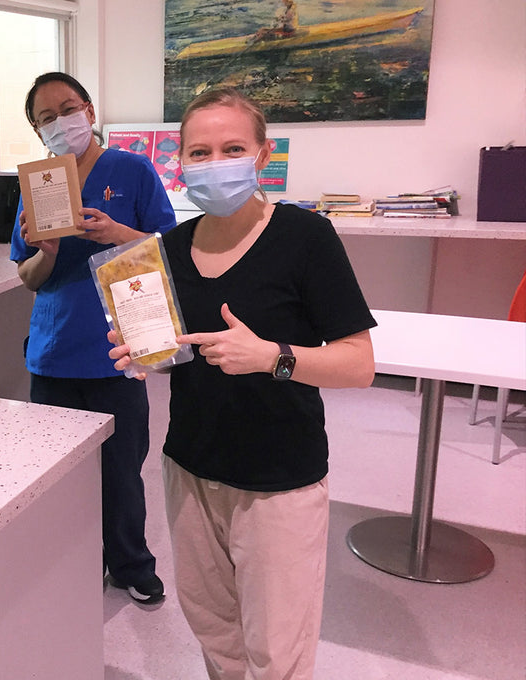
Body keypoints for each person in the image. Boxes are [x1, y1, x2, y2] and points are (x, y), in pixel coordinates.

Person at [109, 87, 375, 679]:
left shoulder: (307, 238)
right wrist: (147, 357)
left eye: (232, 148)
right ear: (180, 161)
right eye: (199, 152)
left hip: (279, 480)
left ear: (261, 155)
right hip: (191, 468)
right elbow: (177, 351)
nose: (214, 163)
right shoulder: (171, 249)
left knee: (276, 653)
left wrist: (273, 357)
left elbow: (359, 364)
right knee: (217, 634)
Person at [10, 72, 177, 604]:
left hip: (117, 350)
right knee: (59, 479)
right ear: (38, 132)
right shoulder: (37, 186)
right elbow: (29, 276)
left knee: (123, 470)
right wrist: (49, 253)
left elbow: (168, 247)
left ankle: (131, 563)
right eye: (45, 118)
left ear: (88, 109)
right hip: (53, 353)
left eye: (67, 108)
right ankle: (69, 566)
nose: (60, 123)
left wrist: (117, 233)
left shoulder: (132, 170)